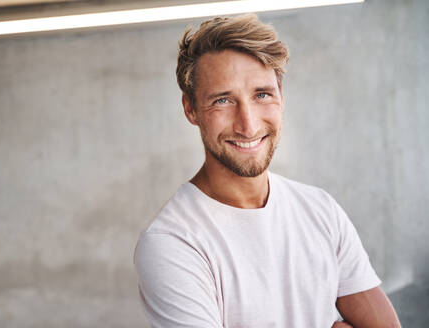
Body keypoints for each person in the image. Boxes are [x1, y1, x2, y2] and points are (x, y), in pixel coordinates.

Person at [134, 14, 400, 328]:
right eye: (222, 100)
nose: (248, 124)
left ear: (281, 97)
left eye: (262, 95)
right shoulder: (172, 243)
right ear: (191, 109)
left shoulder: (320, 210)